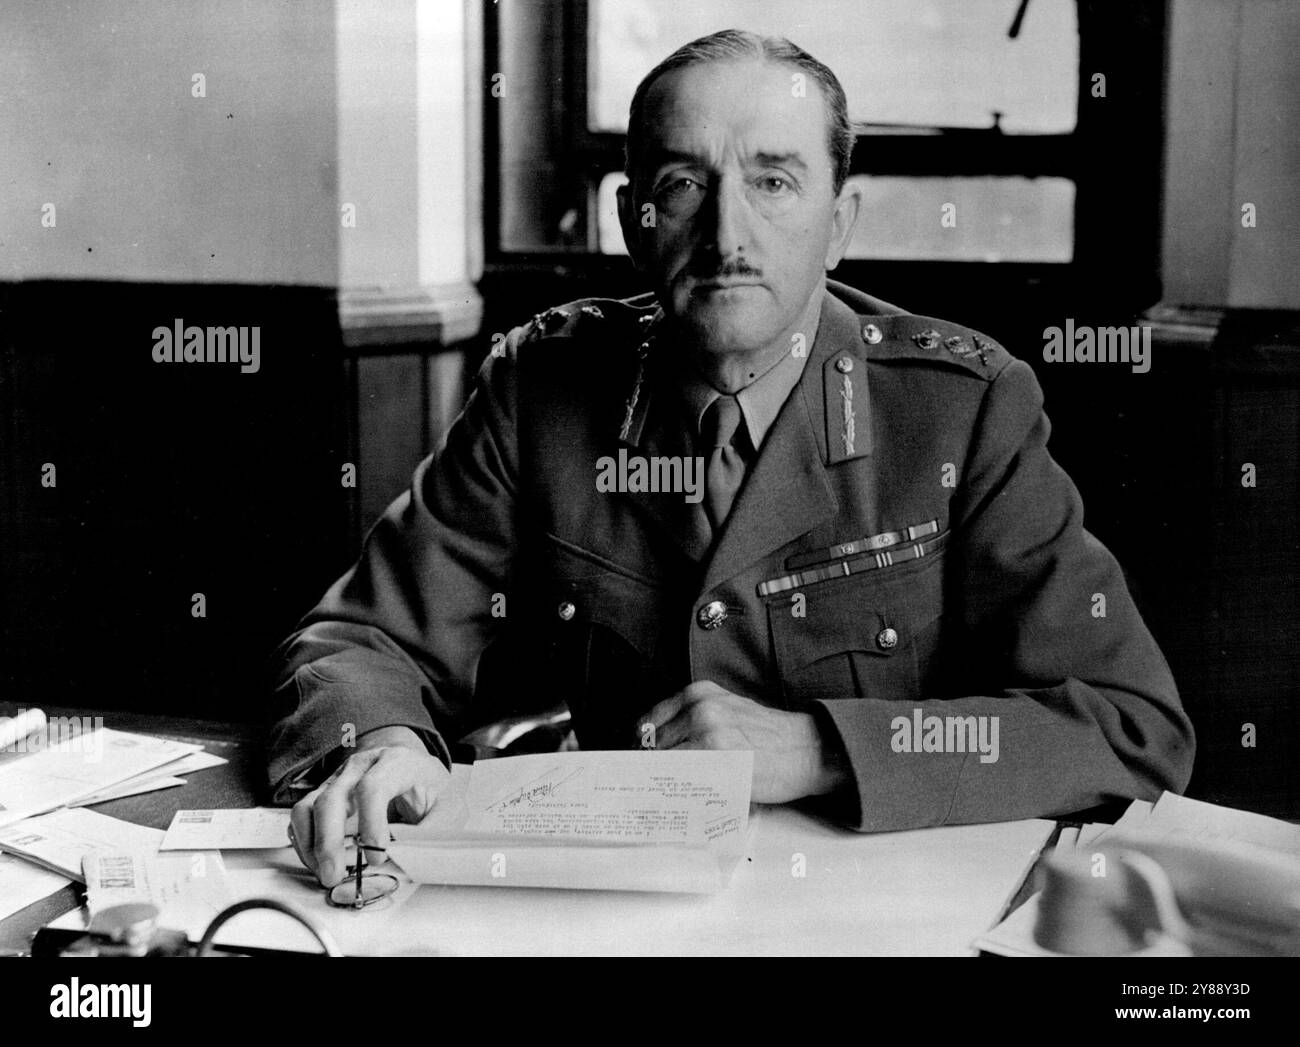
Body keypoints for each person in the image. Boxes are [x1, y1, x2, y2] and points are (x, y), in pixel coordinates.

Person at [269, 29, 1194, 887]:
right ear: (635, 225)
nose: (726, 236)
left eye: (775, 182)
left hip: (888, 911)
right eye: (682, 185)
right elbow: (362, 634)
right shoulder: (541, 389)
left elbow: (1129, 724)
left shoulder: (959, 411)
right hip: (613, 908)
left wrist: (823, 749)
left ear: (840, 222)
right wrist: (380, 743)